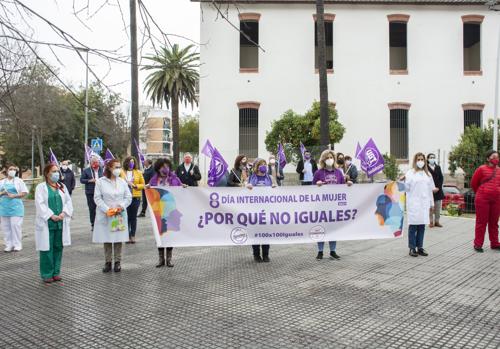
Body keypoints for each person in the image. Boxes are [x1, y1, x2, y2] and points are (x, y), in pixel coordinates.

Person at [35, 164, 73, 283]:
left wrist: (63, 213)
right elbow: (40, 204)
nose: (57, 173)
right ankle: (47, 274)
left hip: (60, 223)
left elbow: (68, 202)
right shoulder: (41, 187)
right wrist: (51, 215)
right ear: (47, 173)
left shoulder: (61, 186)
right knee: (46, 248)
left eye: (57, 171)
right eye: (54, 171)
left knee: (58, 247)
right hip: (47, 222)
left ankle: (56, 272)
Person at [93, 159, 132, 273]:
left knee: (118, 238)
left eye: (119, 167)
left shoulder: (122, 181)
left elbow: (128, 197)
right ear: (109, 168)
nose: (118, 169)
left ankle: (118, 262)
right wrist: (107, 209)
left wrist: (122, 206)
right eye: (116, 167)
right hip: (107, 214)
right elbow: (97, 198)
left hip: (119, 214)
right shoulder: (101, 182)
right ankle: (108, 262)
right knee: (107, 238)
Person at [313, 150, 352, 260]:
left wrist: (348, 184)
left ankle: (332, 251)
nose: (329, 159)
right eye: (327, 158)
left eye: (331, 157)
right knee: (321, 228)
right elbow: (311, 189)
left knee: (333, 229)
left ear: (334, 159)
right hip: (321, 206)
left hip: (335, 207)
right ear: (323, 160)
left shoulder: (338, 172)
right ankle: (320, 251)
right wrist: (317, 184)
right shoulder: (318, 173)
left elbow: (342, 187)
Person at [399, 152, 437, 257]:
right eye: (418, 159)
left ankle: (420, 247)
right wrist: (401, 181)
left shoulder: (428, 174)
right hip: (414, 204)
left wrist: (432, 204)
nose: (420, 161)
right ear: (415, 161)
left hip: (424, 204)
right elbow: (404, 188)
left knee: (422, 226)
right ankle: (412, 248)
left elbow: (430, 190)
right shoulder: (410, 173)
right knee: (413, 226)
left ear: (425, 161)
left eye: (422, 159)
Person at [149, 158, 184, 268]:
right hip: (158, 211)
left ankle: (169, 259)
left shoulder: (174, 179)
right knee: (159, 235)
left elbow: (180, 189)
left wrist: (184, 187)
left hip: (170, 211)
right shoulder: (154, 180)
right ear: (158, 168)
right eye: (163, 167)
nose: (165, 169)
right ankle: (161, 259)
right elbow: (150, 192)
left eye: (167, 166)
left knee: (169, 235)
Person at [470, 150, 500, 252]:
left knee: (494, 222)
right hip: (482, 199)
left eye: (497, 157)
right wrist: (481, 192)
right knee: (481, 222)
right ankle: (478, 244)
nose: (496, 159)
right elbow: (474, 183)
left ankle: (495, 243)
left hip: (496, 200)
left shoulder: (499, 170)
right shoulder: (481, 169)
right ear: (488, 159)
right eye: (493, 157)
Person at [247, 159, 275, 262]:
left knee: (266, 233)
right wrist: (247, 187)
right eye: (261, 164)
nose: (263, 166)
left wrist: (274, 188)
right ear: (257, 166)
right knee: (255, 233)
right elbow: (244, 192)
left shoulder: (270, 177)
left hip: (267, 210)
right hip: (254, 210)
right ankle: (256, 254)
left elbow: (276, 191)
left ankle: (266, 254)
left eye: (265, 164)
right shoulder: (251, 178)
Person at [0, 165, 29, 252]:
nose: (12, 171)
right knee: (6, 227)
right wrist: (3, 193)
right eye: (10, 169)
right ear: (7, 170)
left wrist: (14, 195)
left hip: (16, 207)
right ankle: (9, 245)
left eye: (14, 169)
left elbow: (24, 193)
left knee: (15, 226)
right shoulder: (2, 182)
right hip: (4, 207)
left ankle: (17, 244)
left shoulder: (19, 181)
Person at [120, 156, 145, 243]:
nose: (132, 163)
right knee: (126, 217)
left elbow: (143, 184)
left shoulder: (138, 172)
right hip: (125, 198)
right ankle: (127, 236)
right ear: (126, 162)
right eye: (130, 161)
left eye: (133, 162)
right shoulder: (122, 172)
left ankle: (133, 235)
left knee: (133, 217)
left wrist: (135, 186)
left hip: (135, 197)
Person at [80, 157, 103, 231]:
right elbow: (82, 180)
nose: (95, 164)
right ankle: (93, 224)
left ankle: (101, 223)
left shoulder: (102, 170)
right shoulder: (86, 170)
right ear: (90, 163)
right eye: (93, 162)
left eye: (96, 162)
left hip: (101, 192)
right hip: (90, 192)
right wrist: (90, 180)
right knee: (92, 209)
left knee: (101, 208)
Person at [427, 153, 444, 228]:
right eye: (430, 157)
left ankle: (437, 221)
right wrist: (431, 188)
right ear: (427, 159)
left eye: (433, 157)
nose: (432, 158)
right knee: (430, 207)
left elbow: (441, 178)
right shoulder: (426, 168)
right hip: (430, 191)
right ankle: (431, 222)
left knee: (437, 207)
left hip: (438, 190)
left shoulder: (438, 167)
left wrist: (438, 188)